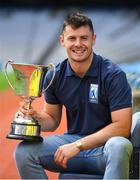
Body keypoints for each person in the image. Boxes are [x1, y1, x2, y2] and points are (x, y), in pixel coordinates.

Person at [14, 11, 133, 179]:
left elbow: (122, 127)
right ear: (62, 41)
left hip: (104, 150)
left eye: (84, 38)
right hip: (72, 145)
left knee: (119, 145)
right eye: (72, 38)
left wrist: (78, 145)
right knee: (24, 152)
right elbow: (52, 119)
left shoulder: (113, 75)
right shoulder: (55, 75)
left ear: (94, 39)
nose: (78, 44)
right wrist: (34, 118)